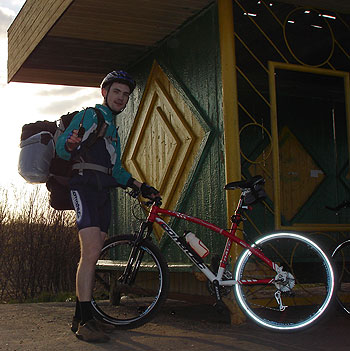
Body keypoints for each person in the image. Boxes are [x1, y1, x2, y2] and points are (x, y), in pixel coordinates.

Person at [56, 70, 160, 343]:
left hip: (103, 193)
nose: (121, 98)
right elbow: (61, 148)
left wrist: (140, 186)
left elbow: (117, 170)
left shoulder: (113, 130)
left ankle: (83, 318)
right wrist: (69, 143)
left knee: (95, 250)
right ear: (105, 92)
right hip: (84, 188)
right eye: (117, 92)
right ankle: (85, 321)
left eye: (125, 95)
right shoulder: (91, 115)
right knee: (90, 253)